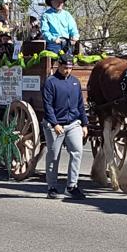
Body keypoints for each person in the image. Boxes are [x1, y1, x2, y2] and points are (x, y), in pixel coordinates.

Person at [42, 53, 88, 199]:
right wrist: (55, 123)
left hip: (73, 124)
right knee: (53, 156)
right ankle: (52, 187)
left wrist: (84, 124)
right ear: (59, 66)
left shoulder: (75, 82)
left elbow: (80, 104)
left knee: (77, 152)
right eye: (65, 67)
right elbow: (47, 105)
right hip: (55, 125)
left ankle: (72, 186)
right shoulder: (50, 82)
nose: (68, 70)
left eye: (70, 67)